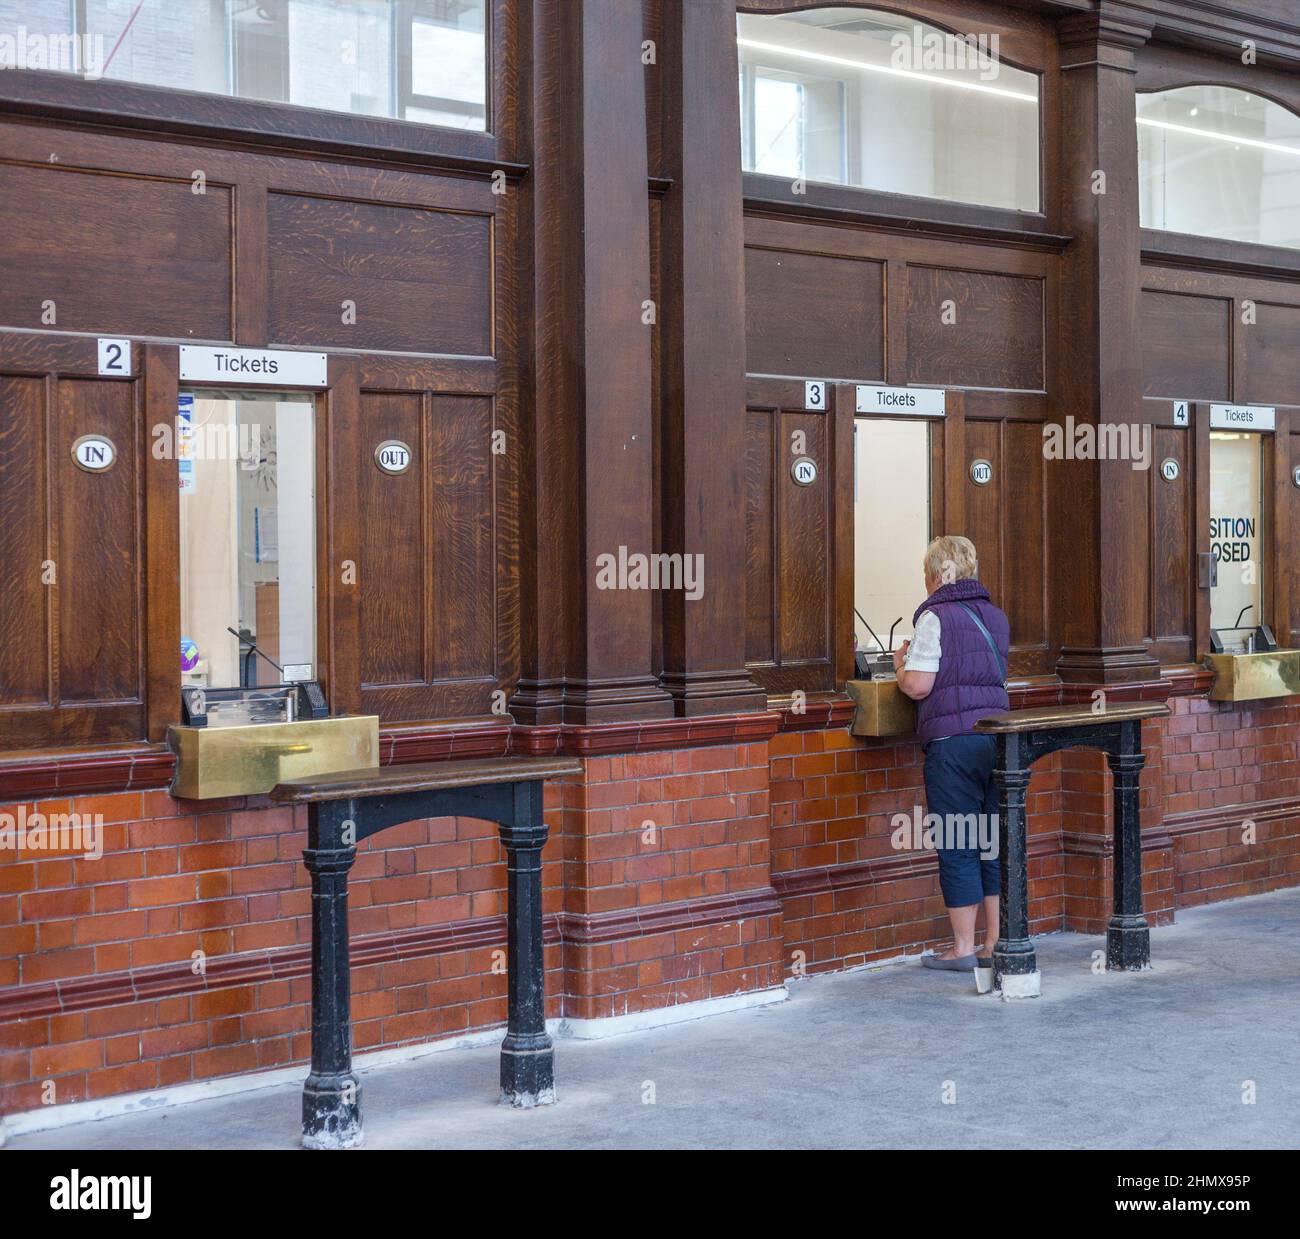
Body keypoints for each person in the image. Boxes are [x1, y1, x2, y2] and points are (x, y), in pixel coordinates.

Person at [892, 536, 1010, 970]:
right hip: (997, 740)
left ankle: (962, 948)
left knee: (959, 841)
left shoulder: (935, 617)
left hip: (953, 744)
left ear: (936, 575)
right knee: (992, 841)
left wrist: (899, 665)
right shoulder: (996, 617)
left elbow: (919, 685)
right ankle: (995, 943)